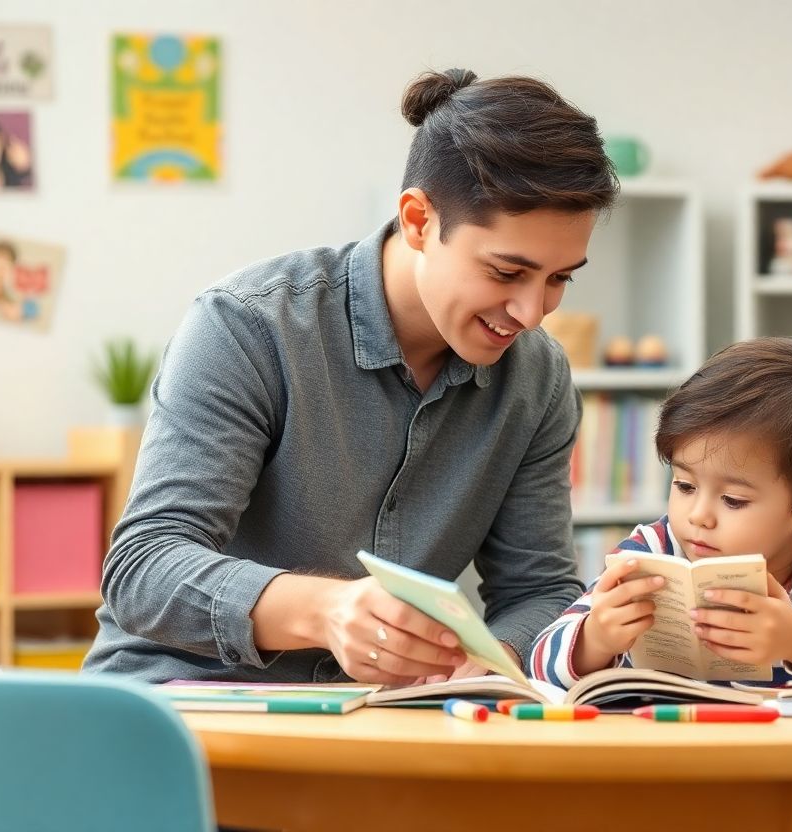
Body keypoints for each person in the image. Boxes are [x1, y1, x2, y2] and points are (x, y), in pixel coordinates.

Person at [82, 68, 618, 685]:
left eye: (559, 279)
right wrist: (327, 611)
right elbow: (144, 568)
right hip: (187, 704)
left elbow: (540, 591)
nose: (532, 313)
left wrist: (488, 659)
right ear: (418, 221)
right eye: (505, 272)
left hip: (383, 723)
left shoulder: (538, 381)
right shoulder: (249, 327)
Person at [530, 337, 792, 688]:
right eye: (685, 486)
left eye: (733, 500)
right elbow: (538, 662)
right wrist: (594, 640)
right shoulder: (655, 549)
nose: (698, 516)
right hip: (668, 760)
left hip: (790, 765)